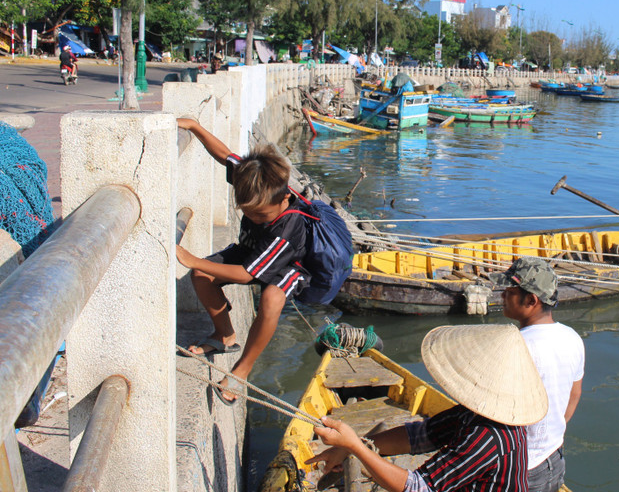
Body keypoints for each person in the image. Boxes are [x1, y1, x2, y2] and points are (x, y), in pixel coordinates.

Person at [175, 117, 324, 404]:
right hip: (252, 250)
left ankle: (241, 371)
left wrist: (191, 259)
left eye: (261, 216)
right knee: (202, 277)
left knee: (271, 298)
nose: (256, 219)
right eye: (250, 214)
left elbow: (246, 274)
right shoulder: (255, 179)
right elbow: (224, 155)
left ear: (282, 200)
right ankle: (224, 336)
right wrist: (194, 126)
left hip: (289, 264)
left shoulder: (286, 225)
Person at [306, 324, 548, 492]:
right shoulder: (474, 413)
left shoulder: (489, 436)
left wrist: (354, 446)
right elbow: (422, 436)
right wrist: (358, 446)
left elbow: (420, 487)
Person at [492, 257, 585, 492]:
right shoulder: (572, 337)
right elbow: (574, 394)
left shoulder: (515, 345)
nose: (502, 295)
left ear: (531, 300)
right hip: (553, 458)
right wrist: (552, 431)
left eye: (509, 291)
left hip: (518, 466)